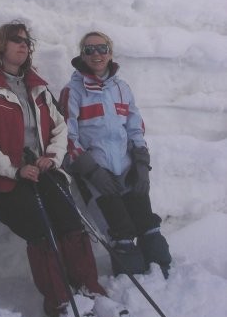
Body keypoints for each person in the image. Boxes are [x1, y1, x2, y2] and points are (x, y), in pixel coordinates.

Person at [0, 21, 113, 317]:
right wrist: (13, 168)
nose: (24, 45)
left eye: (27, 41)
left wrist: (53, 157)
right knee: (40, 226)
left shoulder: (37, 86)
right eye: (17, 40)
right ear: (1, 46)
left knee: (71, 221)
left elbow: (60, 127)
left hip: (42, 170)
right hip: (2, 181)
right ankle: (60, 304)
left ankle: (90, 289)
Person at [60, 31, 172, 278]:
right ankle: (132, 282)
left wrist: (141, 164)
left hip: (126, 166)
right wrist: (91, 170)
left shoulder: (122, 88)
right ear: (82, 55)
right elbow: (67, 137)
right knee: (119, 229)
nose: (96, 54)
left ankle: (162, 274)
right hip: (96, 172)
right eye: (89, 50)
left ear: (110, 52)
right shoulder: (73, 91)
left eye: (101, 48)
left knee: (146, 222)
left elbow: (135, 129)